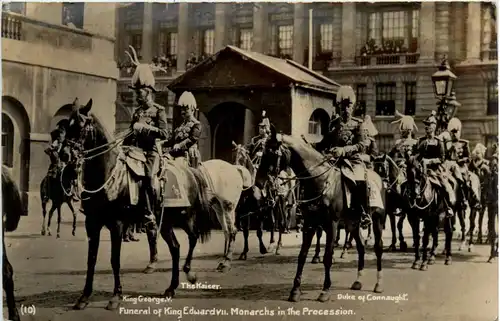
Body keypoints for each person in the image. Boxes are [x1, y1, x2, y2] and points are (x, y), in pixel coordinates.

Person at [314, 85, 372, 229]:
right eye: (343, 106)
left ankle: (363, 213)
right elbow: (324, 143)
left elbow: (361, 145)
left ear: (352, 107)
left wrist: (344, 150)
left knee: (360, 179)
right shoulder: (334, 124)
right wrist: (308, 146)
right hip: (335, 162)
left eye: (348, 106)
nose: (345, 109)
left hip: (353, 161)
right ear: (339, 106)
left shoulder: (358, 124)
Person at [128, 58, 169, 227]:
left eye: (140, 93)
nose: (137, 95)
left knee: (149, 179)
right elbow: (131, 134)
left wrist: (145, 128)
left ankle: (150, 213)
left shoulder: (159, 110)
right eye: (136, 92)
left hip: (151, 152)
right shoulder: (136, 112)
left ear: (148, 92)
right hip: (136, 151)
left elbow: (165, 133)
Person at [414, 111, 455, 217]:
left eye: (429, 126)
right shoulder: (420, 141)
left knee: (443, 186)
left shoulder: (438, 141)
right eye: (426, 126)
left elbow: (442, 158)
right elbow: (417, 155)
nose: (427, 128)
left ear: (434, 127)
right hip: (422, 169)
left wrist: (430, 161)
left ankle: (447, 206)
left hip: (436, 170)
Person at [445, 118, 480, 209]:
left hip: (461, 167)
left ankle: (469, 198)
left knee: (465, 181)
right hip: (449, 166)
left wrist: (460, 161)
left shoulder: (464, 143)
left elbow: (468, 158)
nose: (454, 134)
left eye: (456, 131)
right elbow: (445, 156)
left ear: (459, 132)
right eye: (452, 132)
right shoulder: (448, 144)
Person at [388, 112, 419, 214]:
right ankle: (398, 204)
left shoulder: (415, 143)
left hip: (411, 167)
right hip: (400, 168)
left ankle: (416, 199)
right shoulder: (398, 143)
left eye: (407, 131)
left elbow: (417, 157)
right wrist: (398, 162)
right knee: (395, 182)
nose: (404, 133)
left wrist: (409, 162)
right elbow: (391, 156)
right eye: (403, 131)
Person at [163, 91, 202, 168]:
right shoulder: (181, 125)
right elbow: (173, 140)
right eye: (182, 109)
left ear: (192, 109)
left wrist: (179, 145)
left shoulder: (197, 124)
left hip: (187, 154)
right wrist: (162, 143)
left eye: (186, 109)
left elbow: (192, 139)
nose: (183, 111)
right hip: (176, 152)